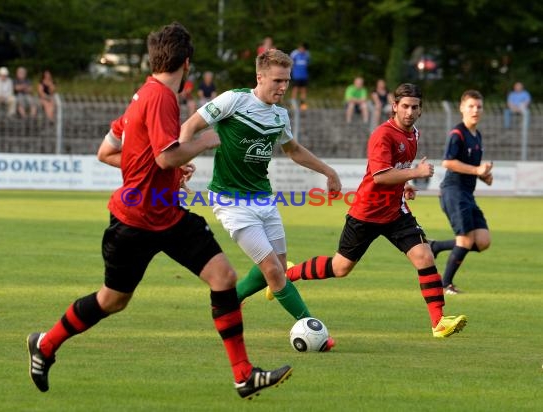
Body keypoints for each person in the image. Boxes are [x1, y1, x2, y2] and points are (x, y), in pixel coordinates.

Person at [26, 22, 292, 400]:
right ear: (187, 63)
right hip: (138, 220)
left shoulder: (142, 96)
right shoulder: (163, 98)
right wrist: (204, 142)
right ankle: (46, 344)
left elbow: (111, 152)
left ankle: (243, 375)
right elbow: (167, 156)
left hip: (162, 215)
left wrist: (163, 168)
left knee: (223, 277)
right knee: (112, 299)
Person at [267, 83, 468, 338]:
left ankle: (438, 322)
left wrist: (405, 184)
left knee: (425, 256)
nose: (409, 112)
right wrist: (415, 173)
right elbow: (381, 176)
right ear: (394, 107)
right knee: (340, 268)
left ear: (420, 110)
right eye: (404, 106)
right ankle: (288, 275)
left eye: (414, 107)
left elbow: (396, 170)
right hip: (367, 212)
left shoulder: (413, 134)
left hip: (395, 212)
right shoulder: (382, 135)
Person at [180, 49, 341, 347]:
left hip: (263, 198)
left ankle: (229, 301)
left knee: (277, 265)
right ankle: (314, 329)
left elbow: (293, 151)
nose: (282, 87)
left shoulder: (280, 115)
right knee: (273, 271)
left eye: (287, 81)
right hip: (230, 200)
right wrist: (178, 161)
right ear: (260, 77)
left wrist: (327, 171)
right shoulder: (234, 100)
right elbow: (189, 127)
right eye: (277, 80)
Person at [429, 90, 493, 295]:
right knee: (465, 240)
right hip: (453, 192)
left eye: (479, 106)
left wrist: (484, 176)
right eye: (471, 106)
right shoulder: (457, 133)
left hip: (467, 194)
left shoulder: (477, 135)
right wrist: (477, 171)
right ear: (462, 108)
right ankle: (445, 284)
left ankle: (436, 246)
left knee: (482, 241)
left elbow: (470, 165)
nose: (475, 110)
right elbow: (447, 162)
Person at [290, 42, 310, 111]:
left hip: (304, 76)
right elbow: (291, 63)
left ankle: (303, 104)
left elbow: (307, 64)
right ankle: (293, 104)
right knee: (295, 89)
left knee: (303, 90)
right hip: (296, 76)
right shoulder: (294, 53)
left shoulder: (307, 54)